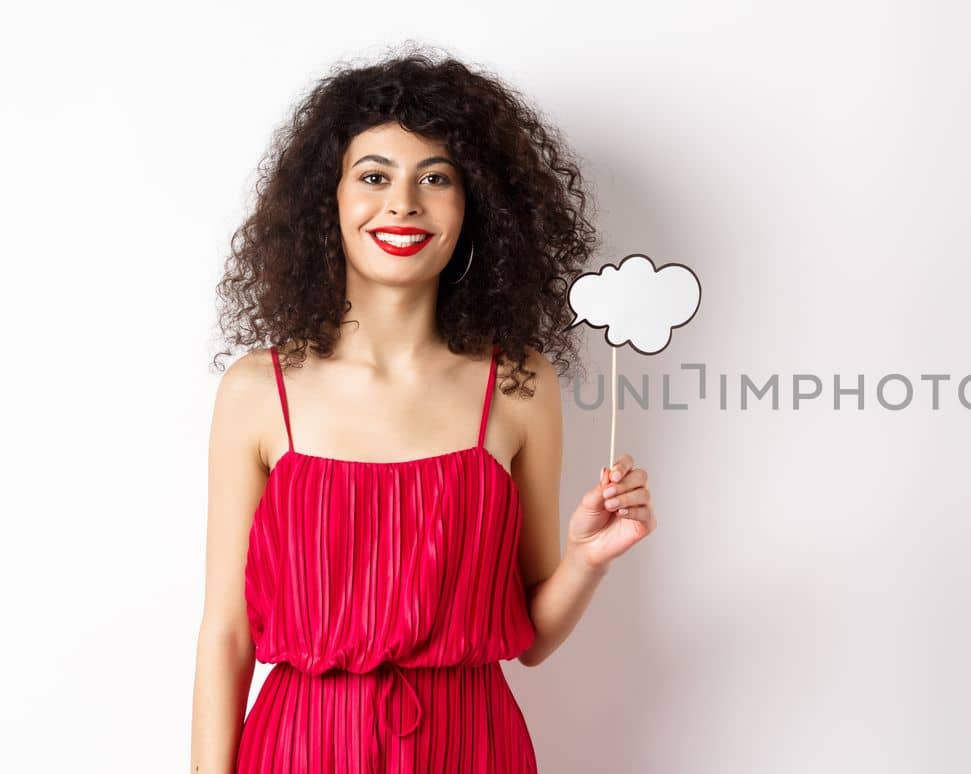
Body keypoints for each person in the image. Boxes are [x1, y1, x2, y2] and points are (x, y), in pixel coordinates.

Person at [190, 46, 658, 772]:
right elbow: (226, 633)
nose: (403, 203)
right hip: (302, 749)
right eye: (374, 176)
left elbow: (529, 639)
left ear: (476, 208)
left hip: (471, 748)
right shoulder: (259, 390)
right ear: (330, 200)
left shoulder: (518, 385)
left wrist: (588, 560)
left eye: (435, 178)